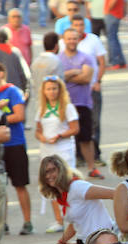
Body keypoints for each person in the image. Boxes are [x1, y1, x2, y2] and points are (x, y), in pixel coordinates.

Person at [40, 155, 115, 244]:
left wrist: (124, 226)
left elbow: (117, 193)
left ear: (61, 170)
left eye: (52, 170)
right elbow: (75, 224)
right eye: (46, 173)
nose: (49, 176)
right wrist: (61, 243)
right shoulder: (63, 194)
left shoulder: (78, 187)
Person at [35, 76, 78, 233]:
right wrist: (42, 138)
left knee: (66, 183)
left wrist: (60, 136)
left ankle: (73, 218)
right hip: (47, 150)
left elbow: (75, 128)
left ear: (59, 90)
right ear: (44, 91)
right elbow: (38, 130)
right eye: (48, 89)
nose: (51, 92)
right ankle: (59, 221)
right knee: (51, 184)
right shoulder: (42, 108)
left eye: (54, 88)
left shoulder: (67, 107)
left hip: (63, 150)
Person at [59, 27, 100, 178]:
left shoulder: (86, 57)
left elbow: (87, 78)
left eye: (74, 38)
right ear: (64, 40)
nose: (72, 41)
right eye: (69, 38)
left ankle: (92, 167)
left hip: (83, 103)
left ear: (79, 40)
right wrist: (75, 72)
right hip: (64, 103)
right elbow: (57, 80)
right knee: (64, 137)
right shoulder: (58, 59)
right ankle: (65, 170)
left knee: (86, 138)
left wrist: (66, 76)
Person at [0, 61, 30, 235]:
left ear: (1, 73)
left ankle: (27, 222)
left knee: (20, 185)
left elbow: (19, 115)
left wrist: (1, 115)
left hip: (15, 143)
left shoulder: (12, 91)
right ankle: (4, 224)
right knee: (1, 187)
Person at [71, 14, 105, 171]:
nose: (78, 28)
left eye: (81, 24)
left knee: (94, 122)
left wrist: (97, 81)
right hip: (74, 92)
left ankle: (95, 155)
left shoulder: (93, 40)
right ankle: (79, 156)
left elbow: (101, 62)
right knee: (75, 123)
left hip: (92, 88)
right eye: (75, 25)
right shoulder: (67, 42)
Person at [104, 0, 126, 69]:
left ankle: (115, 62)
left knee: (111, 39)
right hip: (116, 14)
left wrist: (107, 10)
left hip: (112, 14)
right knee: (114, 39)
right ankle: (121, 61)